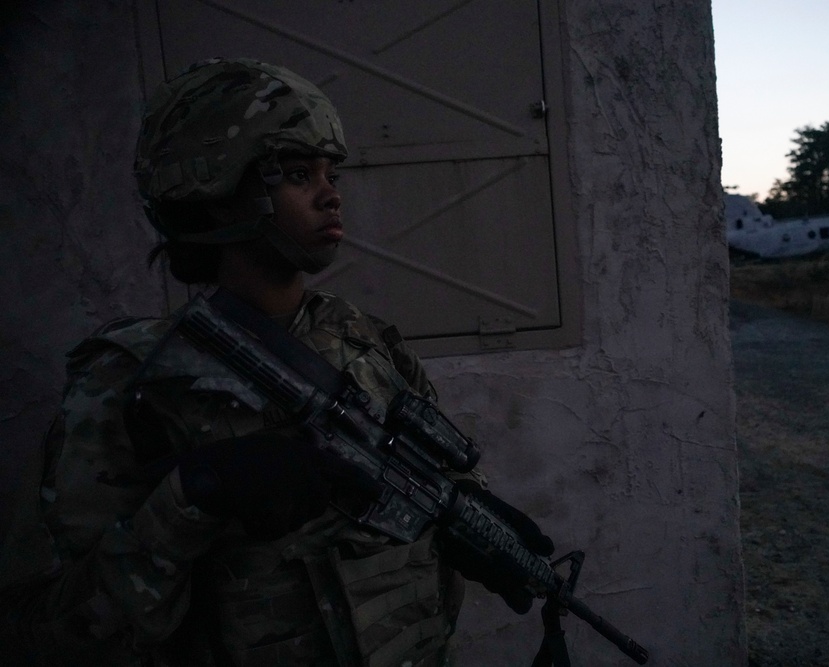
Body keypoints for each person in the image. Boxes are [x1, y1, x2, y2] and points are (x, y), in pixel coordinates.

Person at [0, 57, 551, 667]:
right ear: (212, 188)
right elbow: (46, 635)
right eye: (296, 174)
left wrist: (468, 513)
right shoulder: (131, 384)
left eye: (330, 171)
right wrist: (192, 497)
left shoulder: (367, 343)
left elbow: (436, 480)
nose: (331, 194)